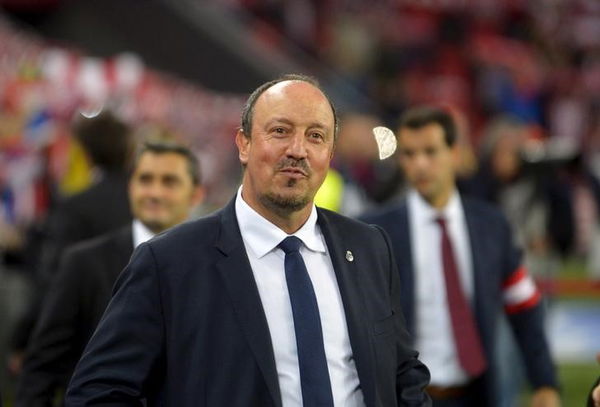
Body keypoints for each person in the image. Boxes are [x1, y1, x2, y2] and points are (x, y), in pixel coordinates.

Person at [65, 74, 431, 406]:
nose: (297, 150)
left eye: (315, 136)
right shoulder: (168, 262)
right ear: (244, 144)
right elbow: (99, 393)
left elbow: (401, 371)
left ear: (330, 155)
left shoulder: (369, 247)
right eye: (280, 131)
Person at [361, 106, 560, 406]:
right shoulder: (374, 231)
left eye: (430, 151)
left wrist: (545, 382)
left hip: (476, 394)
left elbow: (524, 306)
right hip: (406, 398)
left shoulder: (491, 225)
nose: (420, 165)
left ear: (455, 154)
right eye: (410, 154)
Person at [16, 141, 205, 406]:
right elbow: (43, 367)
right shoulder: (84, 263)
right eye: (145, 180)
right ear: (131, 187)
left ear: (196, 195)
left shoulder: (212, 266)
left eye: (169, 182)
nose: (154, 192)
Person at [8, 111, 134, 374]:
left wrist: (24, 339)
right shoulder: (150, 204)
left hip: (85, 345)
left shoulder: (77, 207)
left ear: (84, 151)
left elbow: (54, 280)